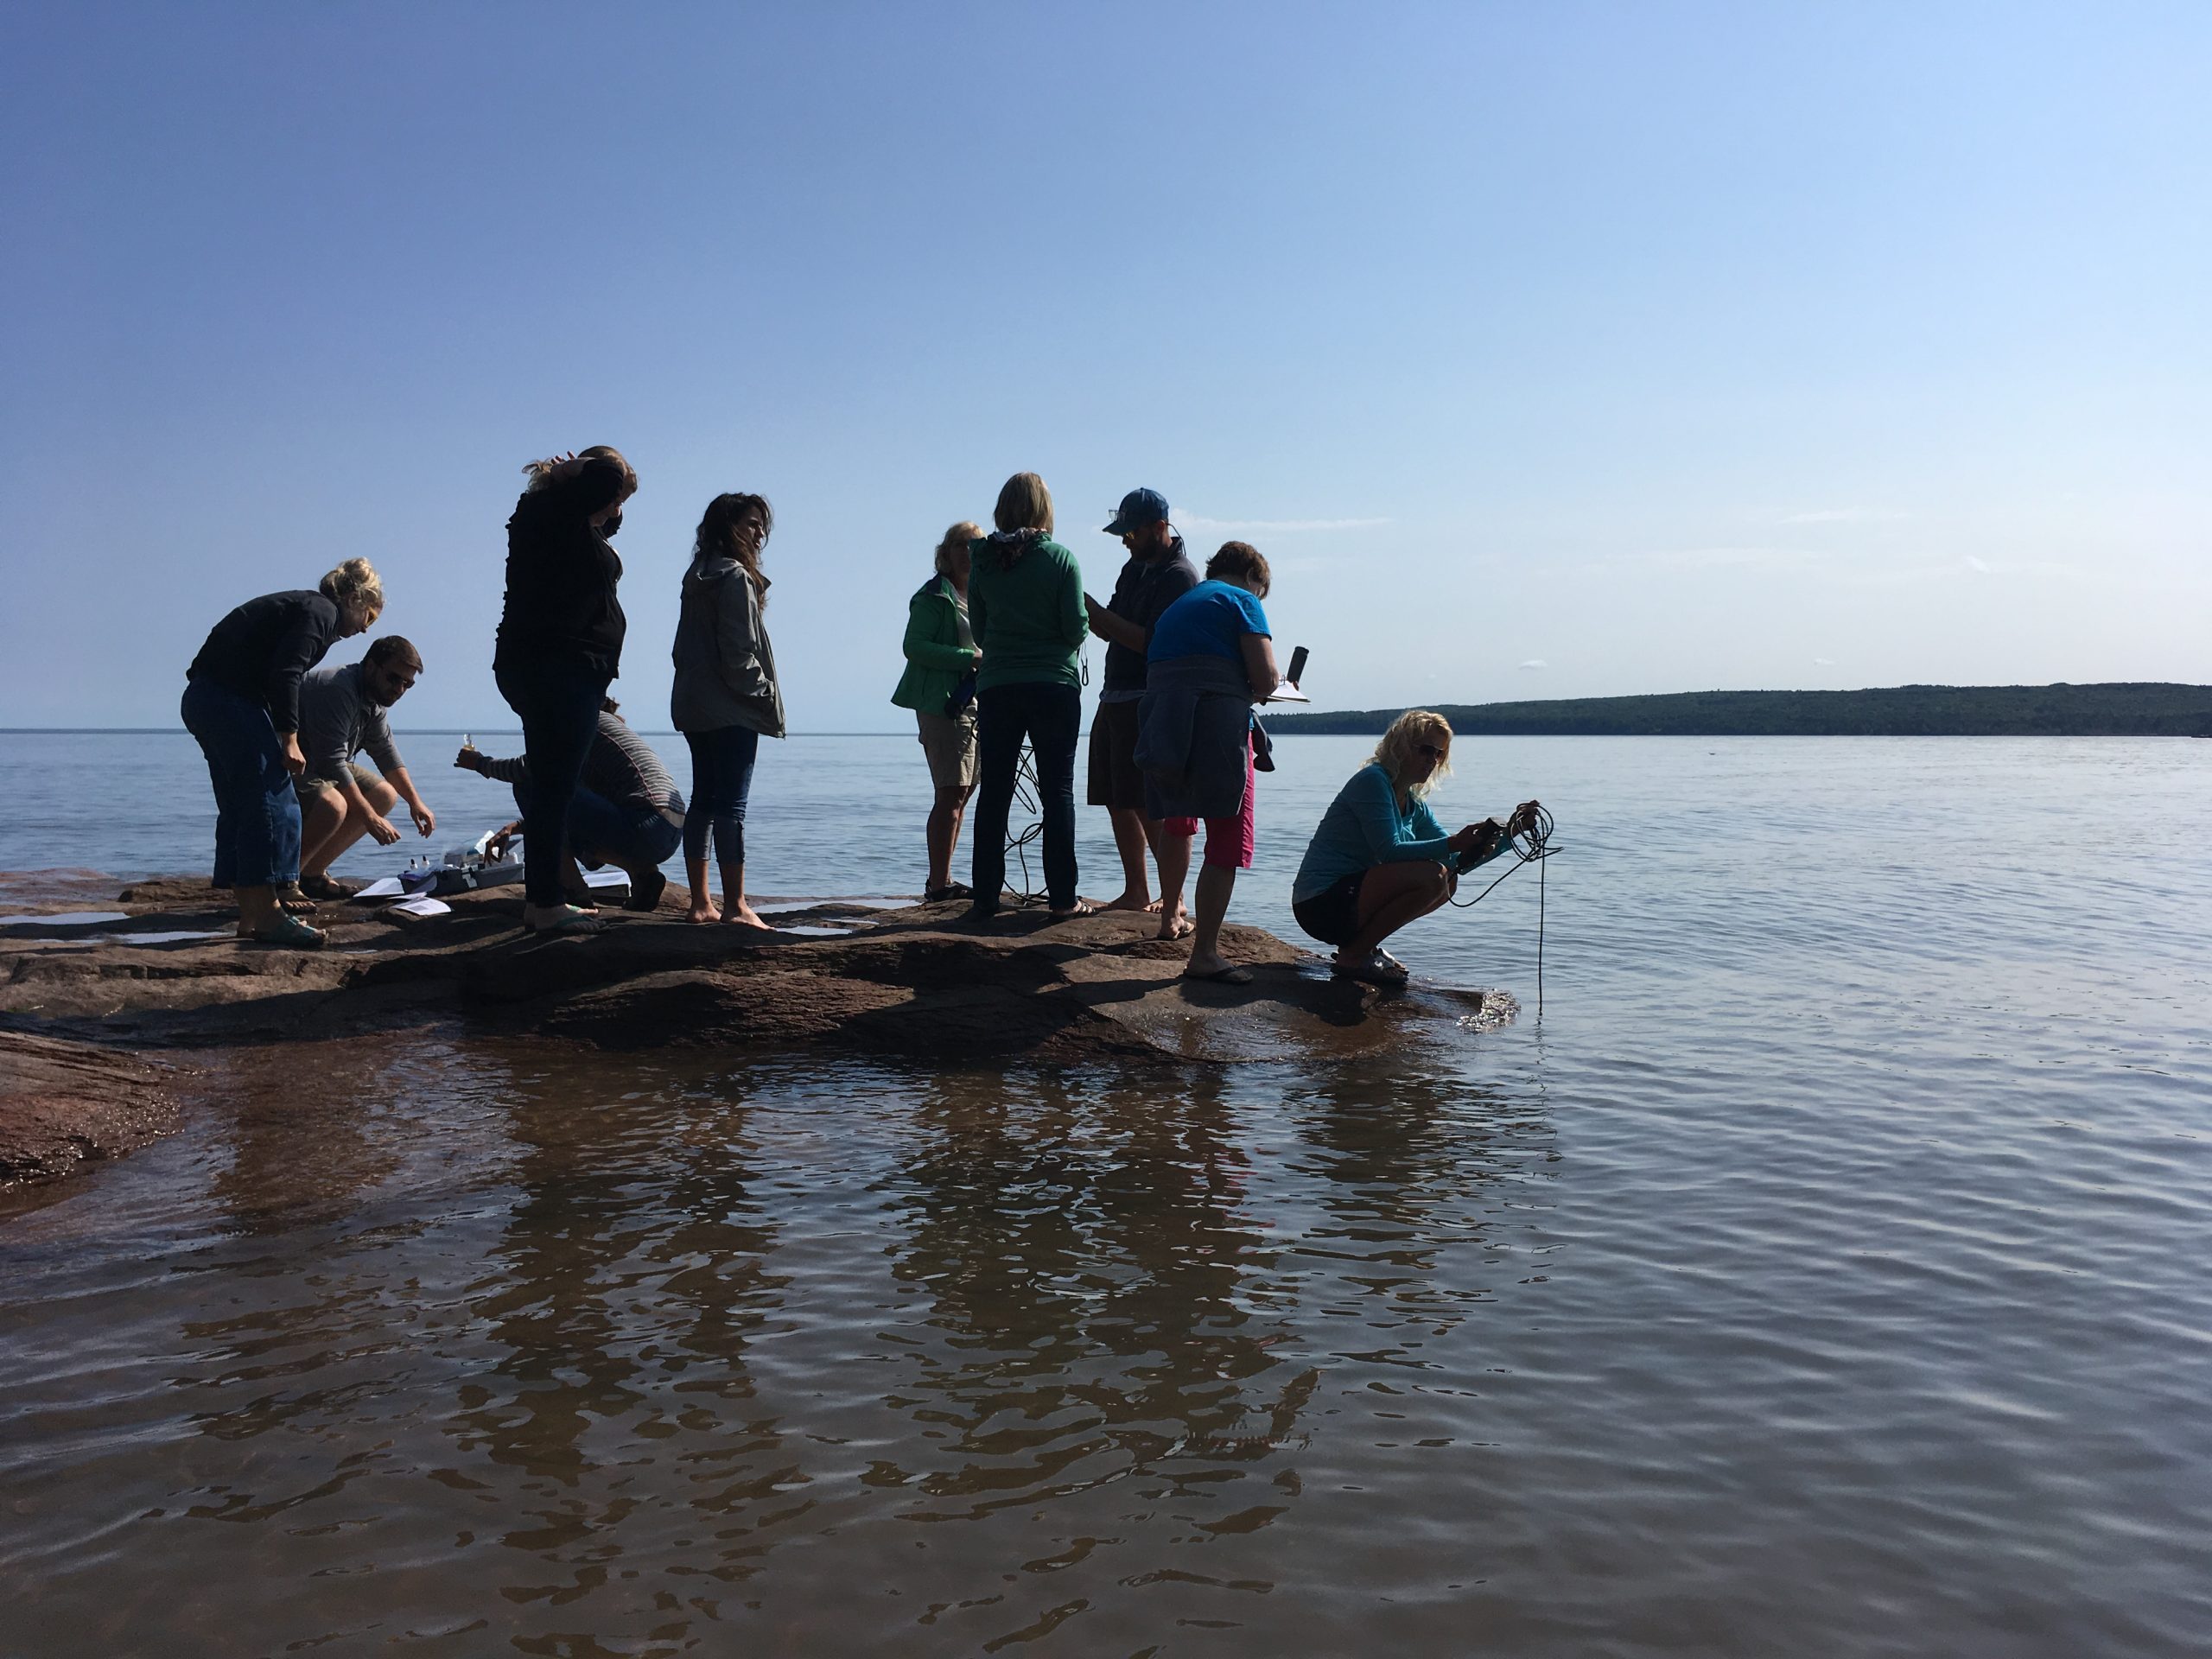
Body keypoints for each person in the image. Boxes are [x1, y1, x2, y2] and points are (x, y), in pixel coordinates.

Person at [181, 558, 385, 948]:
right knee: (275, 802)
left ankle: (251, 914)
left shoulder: (304, 607)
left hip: (204, 697)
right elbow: (288, 672)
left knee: (241, 805)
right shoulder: (321, 611)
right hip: (229, 699)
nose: (364, 628)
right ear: (355, 599)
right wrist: (289, 738)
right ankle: (270, 914)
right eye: (368, 616)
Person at [495, 445, 636, 936]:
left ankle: (541, 902)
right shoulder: (546, 512)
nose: (617, 509)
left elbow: (604, 511)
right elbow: (607, 476)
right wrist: (573, 470)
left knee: (551, 784)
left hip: (558, 669)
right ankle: (548, 905)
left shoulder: (562, 524)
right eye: (617, 499)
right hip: (558, 668)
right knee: (556, 787)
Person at [1291, 709, 1541, 986]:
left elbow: (1458, 860)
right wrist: (1454, 842)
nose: (1432, 760)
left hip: (1350, 900)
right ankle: (1353, 955)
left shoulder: (1414, 804)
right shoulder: (1373, 781)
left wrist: (1511, 833)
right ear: (1401, 747)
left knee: (1449, 878)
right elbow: (1390, 851)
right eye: (1426, 750)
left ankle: (1362, 947)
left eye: (1438, 754)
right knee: (1432, 876)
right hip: (1318, 903)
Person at [1135, 542, 1281, 983]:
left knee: (1179, 822)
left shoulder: (1179, 606)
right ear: (1254, 578)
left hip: (1165, 725)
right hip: (1216, 725)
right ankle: (1205, 954)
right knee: (1228, 838)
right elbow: (1266, 677)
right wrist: (1268, 686)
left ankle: (1169, 917)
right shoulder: (1243, 601)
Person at [963, 473, 1091, 921]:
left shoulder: (980, 561)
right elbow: (1076, 628)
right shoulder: (1061, 560)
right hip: (1054, 684)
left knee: (994, 790)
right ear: (1044, 509)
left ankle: (985, 898)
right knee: (1058, 790)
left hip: (997, 685)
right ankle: (1062, 899)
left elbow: (979, 631)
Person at [1084, 487, 1200, 931]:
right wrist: (1084, 611)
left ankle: (1175, 898)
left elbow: (1150, 641)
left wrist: (1094, 610)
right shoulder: (1134, 568)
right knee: (1117, 797)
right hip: (1115, 694)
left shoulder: (1179, 576)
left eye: (1131, 531)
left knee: (1150, 802)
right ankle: (1137, 890)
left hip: (1147, 698)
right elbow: (1109, 629)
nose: (1124, 540)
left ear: (1160, 528)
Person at [671, 493, 785, 927]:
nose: (759, 533)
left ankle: (700, 903)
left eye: (762, 526)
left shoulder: (695, 574)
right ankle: (736, 905)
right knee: (732, 806)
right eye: (752, 524)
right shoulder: (735, 577)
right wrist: (763, 695)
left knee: (703, 798)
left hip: (693, 703)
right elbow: (738, 652)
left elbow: (684, 646)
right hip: (732, 705)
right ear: (728, 526)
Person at [457, 700, 683, 917]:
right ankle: (643, 874)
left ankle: (574, 889)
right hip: (669, 831)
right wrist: (516, 827)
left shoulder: (579, 720)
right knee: (559, 800)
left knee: (530, 785)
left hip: (643, 824)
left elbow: (530, 769)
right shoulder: (603, 728)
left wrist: (480, 763)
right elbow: (567, 806)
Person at [294, 636, 435, 899]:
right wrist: (370, 819)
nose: (400, 689)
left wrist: (415, 803)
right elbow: (332, 763)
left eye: (408, 684)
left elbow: (385, 753)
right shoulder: (336, 689)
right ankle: (281, 884)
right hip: (286, 765)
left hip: (321, 763)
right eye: (394, 678)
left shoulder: (374, 699)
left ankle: (311, 875)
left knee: (384, 794)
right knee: (333, 805)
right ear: (371, 666)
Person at [891, 520, 984, 902]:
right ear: (945, 552)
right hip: (944, 704)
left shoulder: (981, 596)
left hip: (978, 703)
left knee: (964, 792)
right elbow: (914, 646)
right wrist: (970, 657)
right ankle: (939, 883)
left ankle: (943, 879)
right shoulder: (933, 596)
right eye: (961, 545)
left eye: (976, 546)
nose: (969, 552)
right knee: (950, 792)